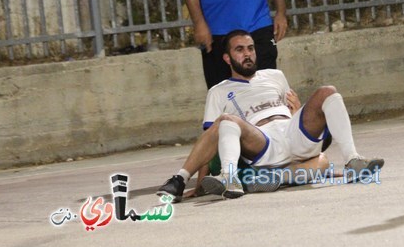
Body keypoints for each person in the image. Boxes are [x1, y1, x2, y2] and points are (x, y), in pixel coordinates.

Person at [157, 30, 384, 200]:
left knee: (328, 92)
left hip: (292, 134)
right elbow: (210, 139)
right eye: (240, 50)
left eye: (251, 48)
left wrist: (297, 112)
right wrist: (198, 185)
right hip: (261, 143)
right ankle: (226, 178)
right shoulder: (218, 91)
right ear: (227, 58)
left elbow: (296, 112)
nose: (247, 54)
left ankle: (352, 160)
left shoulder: (276, 75)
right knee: (226, 121)